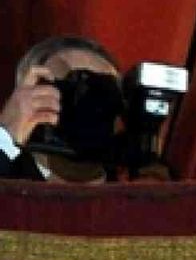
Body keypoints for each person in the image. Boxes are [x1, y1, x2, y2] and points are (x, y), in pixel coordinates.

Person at [0, 35, 123, 182]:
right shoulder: (11, 176)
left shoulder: (137, 195)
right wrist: (5, 139)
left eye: (104, 92)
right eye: (72, 88)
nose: (90, 109)